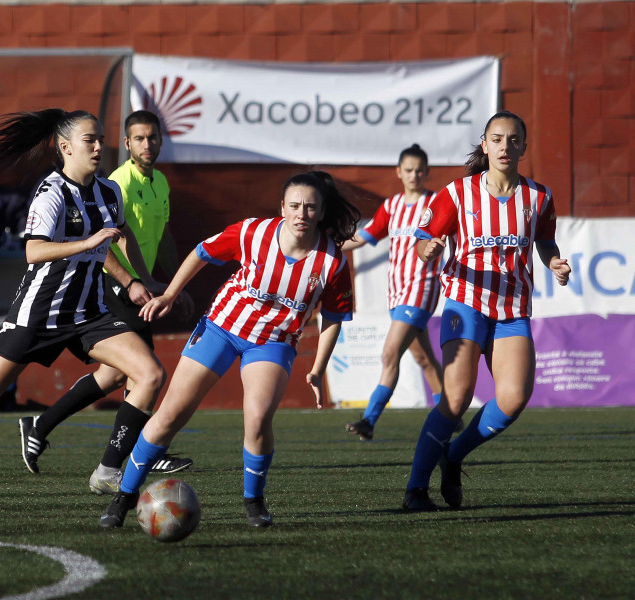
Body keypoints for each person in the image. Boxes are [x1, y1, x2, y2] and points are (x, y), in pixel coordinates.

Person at [0, 109, 167, 522]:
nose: (97, 146)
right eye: (89, 140)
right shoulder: (51, 192)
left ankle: (107, 471)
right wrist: (87, 241)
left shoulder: (109, 192)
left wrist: (134, 282)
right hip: (39, 314)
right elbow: (33, 251)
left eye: (100, 139)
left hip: (89, 312)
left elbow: (114, 240)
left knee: (149, 374)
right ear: (65, 147)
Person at [100, 171, 360, 529]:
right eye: (295, 205)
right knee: (171, 414)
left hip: (273, 342)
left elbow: (334, 317)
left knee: (256, 418)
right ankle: (124, 496)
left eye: (310, 207)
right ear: (282, 207)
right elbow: (200, 252)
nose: (302, 214)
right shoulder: (253, 232)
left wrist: (317, 367)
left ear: (321, 211)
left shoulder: (332, 262)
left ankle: (254, 501)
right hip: (222, 327)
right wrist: (170, 294)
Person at [17, 110, 195, 494]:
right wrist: (130, 281)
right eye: (139, 138)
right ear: (128, 144)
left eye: (153, 137)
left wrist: (164, 282)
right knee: (145, 371)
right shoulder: (116, 182)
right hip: (112, 288)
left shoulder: (159, 182)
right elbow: (105, 241)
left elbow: (157, 238)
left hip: (139, 286)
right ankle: (133, 454)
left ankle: (42, 425)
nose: (148, 144)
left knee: (119, 375)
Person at [401, 111, 571, 511]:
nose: (505, 147)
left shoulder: (538, 197)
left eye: (513, 140)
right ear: (485, 144)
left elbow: (545, 242)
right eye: (497, 139)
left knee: (513, 399)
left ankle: (455, 455)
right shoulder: (457, 194)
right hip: (465, 304)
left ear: (524, 148)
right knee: (456, 399)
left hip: (512, 310)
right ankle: (415, 490)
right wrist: (429, 249)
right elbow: (423, 240)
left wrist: (555, 262)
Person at [342, 144, 445, 440]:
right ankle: (449, 413)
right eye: (408, 170)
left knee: (389, 354)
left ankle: (369, 421)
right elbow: (362, 237)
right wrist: (329, 244)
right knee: (424, 359)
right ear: (399, 173)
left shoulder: (436, 203)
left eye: (419, 170)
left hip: (421, 287)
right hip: (397, 292)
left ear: (426, 173)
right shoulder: (392, 206)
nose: (414, 175)